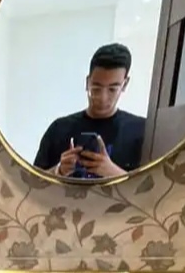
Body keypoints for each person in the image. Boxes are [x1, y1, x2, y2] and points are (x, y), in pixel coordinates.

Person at [32, 43, 145, 179]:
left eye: (112, 89)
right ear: (87, 83)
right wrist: (59, 170)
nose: (103, 98)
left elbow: (152, 188)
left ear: (125, 84)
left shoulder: (142, 131)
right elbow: (32, 183)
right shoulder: (59, 129)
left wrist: (113, 173)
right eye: (96, 88)